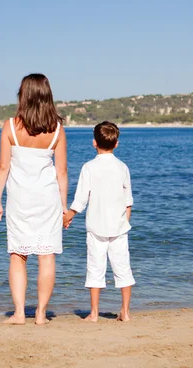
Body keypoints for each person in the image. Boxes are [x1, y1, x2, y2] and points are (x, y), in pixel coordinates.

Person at [0, 73, 67, 325]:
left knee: (17, 255)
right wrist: (65, 206)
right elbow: (61, 172)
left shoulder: (10, 126)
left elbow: (3, 167)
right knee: (46, 257)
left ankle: (20, 313)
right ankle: (41, 314)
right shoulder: (56, 129)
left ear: (23, 96)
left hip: (19, 199)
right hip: (48, 199)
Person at [63, 121, 135, 322]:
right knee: (123, 268)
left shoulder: (89, 167)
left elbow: (81, 200)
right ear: (117, 144)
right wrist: (124, 222)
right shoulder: (123, 167)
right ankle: (126, 312)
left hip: (96, 227)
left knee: (95, 268)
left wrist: (67, 217)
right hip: (119, 227)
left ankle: (94, 313)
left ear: (94, 143)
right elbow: (128, 201)